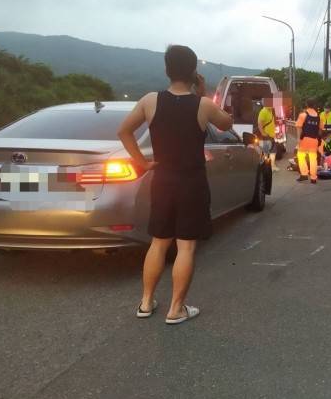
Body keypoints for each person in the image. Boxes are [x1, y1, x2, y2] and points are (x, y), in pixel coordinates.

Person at [117, 45, 233, 324]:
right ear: (194, 72)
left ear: (167, 70)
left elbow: (124, 131)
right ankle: (176, 309)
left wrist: (142, 163)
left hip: (163, 180)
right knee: (185, 247)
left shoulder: (150, 101)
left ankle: (146, 303)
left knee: (158, 243)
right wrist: (203, 94)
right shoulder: (202, 104)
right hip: (191, 182)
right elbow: (227, 123)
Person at [296, 98, 323, 184]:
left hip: (304, 139)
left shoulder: (303, 115)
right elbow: (320, 129)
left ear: (306, 105)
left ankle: (304, 174)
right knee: (313, 159)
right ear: (314, 105)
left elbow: (299, 127)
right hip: (314, 140)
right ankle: (313, 178)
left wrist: (298, 139)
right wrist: (318, 139)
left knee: (300, 156)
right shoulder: (318, 117)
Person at [256, 97, 279, 171]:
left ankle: (272, 166)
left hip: (271, 135)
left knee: (273, 151)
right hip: (266, 135)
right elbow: (260, 123)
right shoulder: (263, 111)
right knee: (266, 152)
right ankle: (266, 167)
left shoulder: (270, 111)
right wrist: (263, 133)